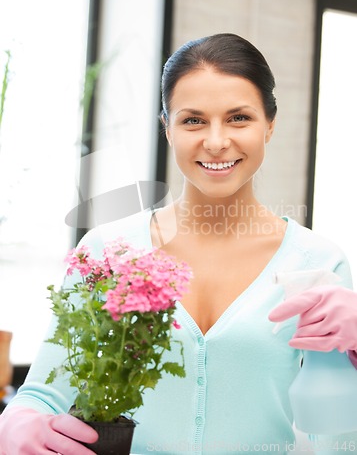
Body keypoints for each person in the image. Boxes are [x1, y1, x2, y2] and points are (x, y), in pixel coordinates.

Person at [1, 33, 357, 454]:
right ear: (167, 128)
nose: (216, 141)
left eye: (239, 117)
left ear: (270, 125)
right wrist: (17, 422)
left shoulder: (316, 263)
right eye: (193, 120)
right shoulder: (108, 252)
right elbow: (45, 394)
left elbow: (338, 432)